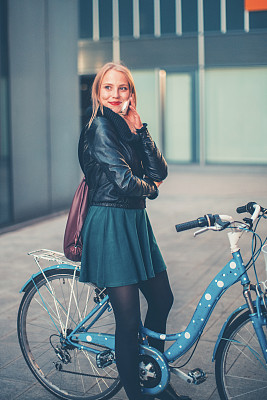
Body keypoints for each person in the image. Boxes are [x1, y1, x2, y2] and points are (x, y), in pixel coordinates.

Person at [78, 62, 191, 400]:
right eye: (108, 88)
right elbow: (126, 182)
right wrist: (152, 189)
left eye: (122, 88)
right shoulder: (99, 127)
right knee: (128, 322)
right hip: (110, 222)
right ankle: (138, 396)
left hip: (135, 222)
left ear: (131, 93)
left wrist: (141, 131)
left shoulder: (128, 126)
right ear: (99, 93)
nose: (115, 94)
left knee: (162, 299)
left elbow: (160, 170)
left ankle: (152, 375)